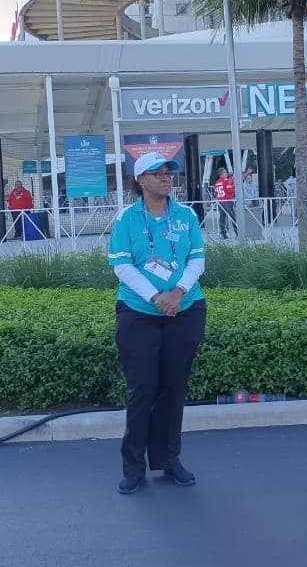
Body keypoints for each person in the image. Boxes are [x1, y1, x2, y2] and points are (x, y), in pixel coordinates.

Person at [107, 152, 206, 495]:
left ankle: (168, 459)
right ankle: (133, 466)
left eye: (168, 173)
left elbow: (197, 258)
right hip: (139, 314)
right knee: (142, 391)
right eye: (158, 174)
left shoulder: (186, 216)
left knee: (173, 389)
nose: (166, 179)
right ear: (140, 181)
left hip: (185, 309)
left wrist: (177, 292)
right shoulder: (127, 220)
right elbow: (122, 266)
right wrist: (156, 298)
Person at [213, 167, 236, 239]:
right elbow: (230, 191)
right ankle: (237, 231)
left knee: (222, 217)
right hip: (227, 201)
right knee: (233, 217)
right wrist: (234, 190)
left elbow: (215, 193)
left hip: (220, 201)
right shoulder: (226, 181)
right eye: (225, 172)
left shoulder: (217, 182)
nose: (227, 174)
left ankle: (223, 233)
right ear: (222, 174)